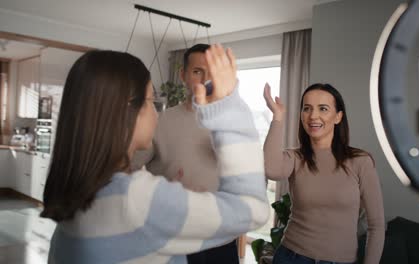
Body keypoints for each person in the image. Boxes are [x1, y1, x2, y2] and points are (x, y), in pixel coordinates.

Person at [40, 45, 269, 264]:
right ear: (127, 111)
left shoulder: (76, 193)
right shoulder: (138, 200)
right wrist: (229, 107)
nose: (156, 113)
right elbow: (253, 209)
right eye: (151, 100)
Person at [131, 43, 240, 263]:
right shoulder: (157, 122)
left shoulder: (234, 123)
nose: (205, 79)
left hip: (222, 238)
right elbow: (126, 171)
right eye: (197, 71)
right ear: (183, 75)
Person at [263, 83, 385, 264]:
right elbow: (270, 168)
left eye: (323, 109)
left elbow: (376, 225)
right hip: (290, 256)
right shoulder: (295, 158)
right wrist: (278, 117)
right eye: (307, 108)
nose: (313, 116)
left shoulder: (361, 161)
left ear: (338, 117)